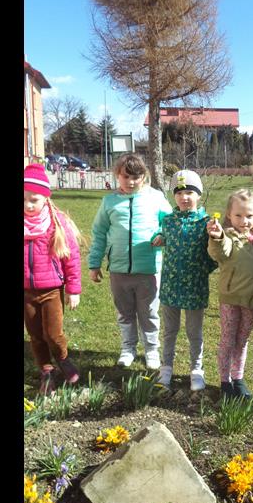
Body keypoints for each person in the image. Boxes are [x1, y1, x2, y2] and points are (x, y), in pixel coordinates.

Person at [88, 153, 173, 369]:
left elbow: (170, 222)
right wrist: (94, 264)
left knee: (149, 312)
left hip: (148, 269)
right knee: (124, 312)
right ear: (117, 175)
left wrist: (163, 235)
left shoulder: (155, 198)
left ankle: (151, 349)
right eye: (126, 176)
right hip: (119, 270)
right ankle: (128, 348)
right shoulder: (109, 202)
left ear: (144, 176)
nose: (131, 182)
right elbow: (99, 233)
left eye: (136, 177)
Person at [206, 189, 253, 397]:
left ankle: (237, 378)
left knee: (242, 341)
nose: (244, 221)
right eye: (238, 215)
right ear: (229, 214)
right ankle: (224, 381)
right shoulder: (228, 236)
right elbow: (220, 251)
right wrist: (217, 237)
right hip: (231, 299)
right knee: (228, 340)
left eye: (249, 215)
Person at [153, 170, 218, 391]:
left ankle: (196, 370)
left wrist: (205, 267)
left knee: (194, 332)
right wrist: (159, 237)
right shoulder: (168, 221)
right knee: (169, 331)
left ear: (199, 195)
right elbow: (163, 235)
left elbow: (215, 255)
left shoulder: (206, 223)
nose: (184, 197)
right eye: (179, 193)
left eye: (190, 192)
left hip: (195, 287)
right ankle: (166, 368)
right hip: (170, 286)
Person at [23, 163, 83, 394]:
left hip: (51, 291)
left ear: (45, 198)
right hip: (27, 292)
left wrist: (73, 289)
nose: (28, 205)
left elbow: (72, 258)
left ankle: (63, 359)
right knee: (36, 335)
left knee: (53, 334)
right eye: (24, 199)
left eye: (34, 200)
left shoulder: (56, 223)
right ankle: (46, 370)